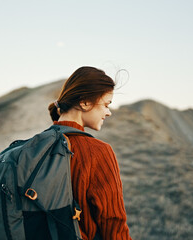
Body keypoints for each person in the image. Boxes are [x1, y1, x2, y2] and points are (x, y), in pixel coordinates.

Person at [48, 66, 132, 240]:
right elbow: (113, 222)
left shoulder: (34, 147)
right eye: (107, 104)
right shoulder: (97, 151)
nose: (108, 112)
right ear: (85, 102)